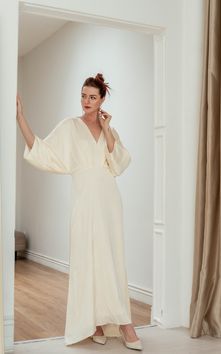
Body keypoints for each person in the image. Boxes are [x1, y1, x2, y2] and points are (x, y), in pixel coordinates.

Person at [16, 73, 143, 351]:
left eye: (92, 97)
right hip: (84, 200)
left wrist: (108, 129)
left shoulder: (110, 129)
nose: (86, 101)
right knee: (88, 260)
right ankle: (95, 322)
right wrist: (20, 119)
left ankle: (124, 322)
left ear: (102, 100)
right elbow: (43, 150)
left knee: (112, 258)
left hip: (109, 199)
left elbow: (119, 163)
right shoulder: (70, 126)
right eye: (83, 95)